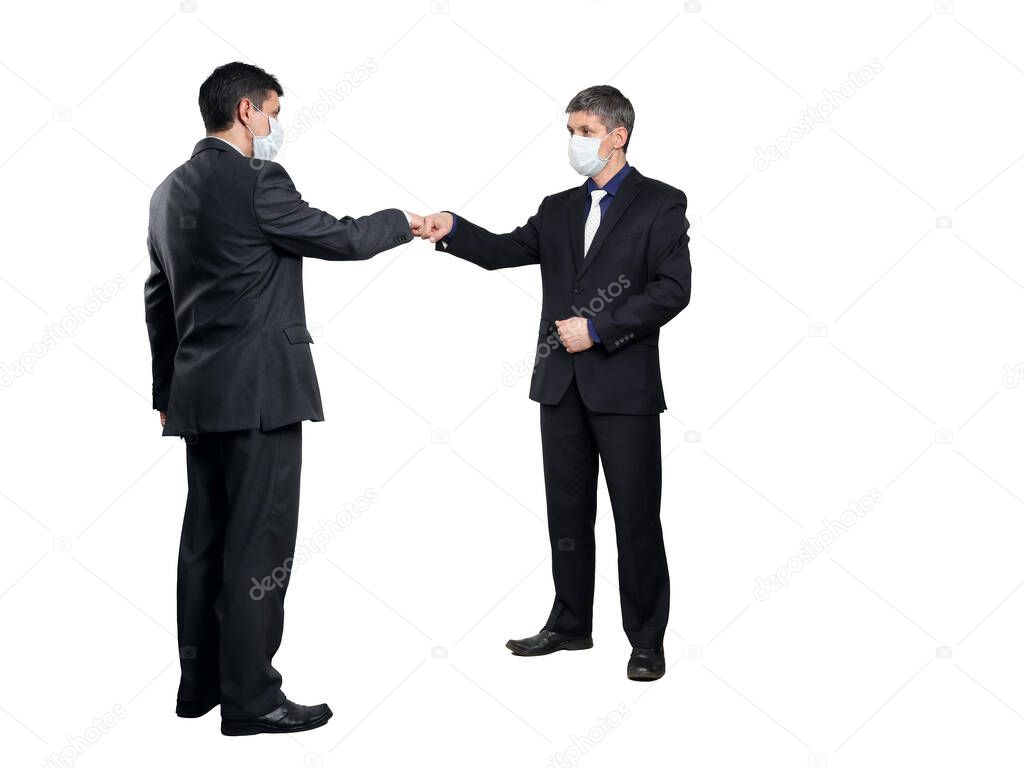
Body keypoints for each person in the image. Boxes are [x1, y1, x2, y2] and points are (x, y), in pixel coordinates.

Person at [144, 62, 424, 735]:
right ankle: (252, 700)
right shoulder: (258, 180)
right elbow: (340, 238)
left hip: (198, 396)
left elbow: (158, 298)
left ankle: (200, 685)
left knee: (205, 541)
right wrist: (405, 222)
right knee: (260, 549)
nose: (273, 127)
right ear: (245, 110)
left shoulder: (166, 192)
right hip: (262, 393)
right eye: (271, 112)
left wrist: (164, 390)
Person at [414, 85, 692, 681]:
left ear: (618, 136)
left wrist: (599, 328)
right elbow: (499, 252)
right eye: (571, 131)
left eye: (586, 131)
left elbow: (673, 290)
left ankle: (646, 640)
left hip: (625, 390)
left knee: (635, 517)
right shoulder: (557, 208)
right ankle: (570, 623)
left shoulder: (661, 204)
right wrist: (451, 228)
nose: (575, 142)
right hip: (560, 387)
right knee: (566, 513)